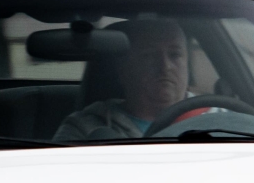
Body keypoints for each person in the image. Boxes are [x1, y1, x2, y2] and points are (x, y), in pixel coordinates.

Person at [56, 17, 193, 140]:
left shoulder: (211, 116)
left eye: (175, 55)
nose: (165, 66)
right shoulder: (84, 128)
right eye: (149, 55)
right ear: (123, 68)